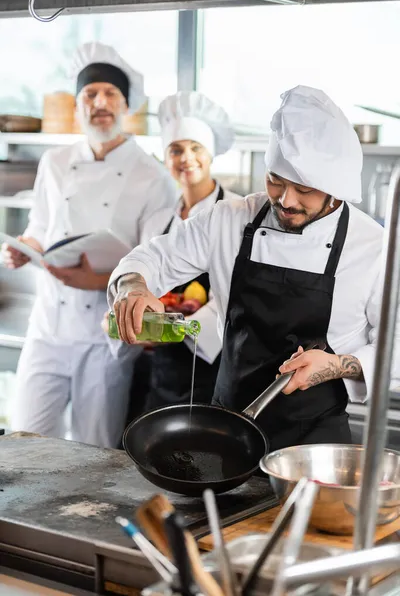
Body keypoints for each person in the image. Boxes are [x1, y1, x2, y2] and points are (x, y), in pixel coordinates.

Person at [108, 85, 400, 452]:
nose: (286, 200)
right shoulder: (230, 219)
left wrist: (339, 364)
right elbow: (150, 258)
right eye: (276, 181)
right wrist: (133, 287)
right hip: (226, 431)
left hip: (313, 445)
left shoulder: (374, 247)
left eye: (304, 188)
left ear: (336, 189)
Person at [2, 42, 177, 448]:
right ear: (78, 106)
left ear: (126, 104)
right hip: (47, 327)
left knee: (92, 452)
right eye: (90, 94)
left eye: (110, 93)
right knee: (24, 445)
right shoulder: (55, 163)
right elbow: (40, 228)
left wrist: (94, 281)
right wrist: (21, 249)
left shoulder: (152, 176)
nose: (100, 102)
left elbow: (156, 265)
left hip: (106, 335)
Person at [139, 91, 240, 410]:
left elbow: (240, 292)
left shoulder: (237, 213)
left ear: (210, 154)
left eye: (196, 148)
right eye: (176, 150)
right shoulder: (157, 220)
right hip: (165, 365)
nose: (186, 158)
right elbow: (148, 282)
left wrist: (182, 327)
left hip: (218, 358)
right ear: (165, 158)